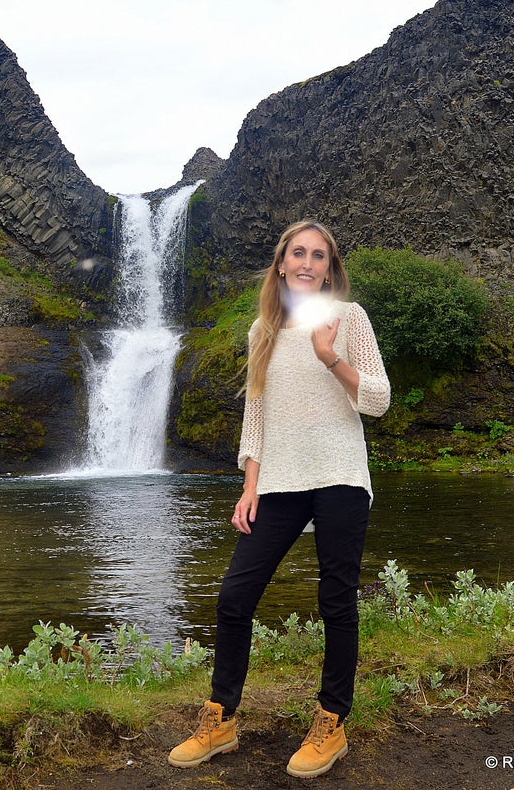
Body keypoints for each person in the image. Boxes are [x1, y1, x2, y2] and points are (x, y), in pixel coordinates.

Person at [168, 220, 391, 779]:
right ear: (282, 264)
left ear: (329, 267)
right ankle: (220, 719)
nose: (309, 263)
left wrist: (329, 356)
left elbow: (380, 400)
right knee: (234, 596)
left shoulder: (351, 319)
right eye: (299, 253)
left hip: (340, 475)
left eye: (319, 255)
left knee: (336, 600)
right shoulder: (261, 329)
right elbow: (257, 418)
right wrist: (249, 487)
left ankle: (331, 722)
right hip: (278, 484)